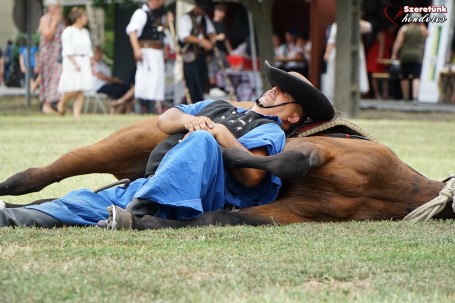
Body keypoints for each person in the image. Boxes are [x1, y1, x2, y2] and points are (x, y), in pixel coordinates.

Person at [0, 61, 335, 228]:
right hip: (156, 182)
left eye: (288, 95)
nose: (276, 90)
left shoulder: (272, 131)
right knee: (80, 202)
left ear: (292, 117)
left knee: (203, 139)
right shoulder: (220, 105)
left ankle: (140, 212)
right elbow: (165, 120)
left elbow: (251, 177)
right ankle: (12, 217)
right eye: (278, 86)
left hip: (202, 194)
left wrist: (216, 133)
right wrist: (188, 120)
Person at [126, 0, 169, 114]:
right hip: (146, 50)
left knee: (157, 79)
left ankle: (155, 105)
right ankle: (143, 105)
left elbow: (160, 33)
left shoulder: (158, 14)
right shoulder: (141, 13)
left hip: (157, 51)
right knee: (146, 78)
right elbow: (132, 32)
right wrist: (136, 49)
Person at [57, 7, 93, 118]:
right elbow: (67, 48)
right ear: (78, 18)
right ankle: (62, 103)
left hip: (84, 60)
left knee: (81, 89)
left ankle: (76, 114)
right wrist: (75, 62)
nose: (86, 18)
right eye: (84, 16)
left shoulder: (85, 32)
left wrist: (90, 62)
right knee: (73, 88)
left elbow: (88, 49)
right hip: (72, 60)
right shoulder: (68, 31)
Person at [177, 0, 216, 103]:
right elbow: (184, 36)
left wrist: (212, 39)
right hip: (190, 56)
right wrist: (202, 41)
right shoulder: (186, 18)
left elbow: (211, 31)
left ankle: (200, 103)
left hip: (201, 56)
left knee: (202, 81)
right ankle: (190, 103)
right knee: (192, 83)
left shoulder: (204, 18)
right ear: (197, 7)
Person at [323, 20, 372, 101]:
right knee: (338, 75)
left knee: (353, 75)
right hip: (339, 52)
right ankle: (339, 97)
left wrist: (356, 21)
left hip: (353, 53)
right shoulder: (336, 25)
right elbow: (331, 40)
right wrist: (327, 53)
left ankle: (352, 98)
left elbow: (368, 27)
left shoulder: (356, 23)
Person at [391, 14, 428, 101]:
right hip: (417, 55)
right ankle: (415, 97)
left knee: (404, 76)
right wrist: (421, 23)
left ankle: (405, 97)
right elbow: (427, 34)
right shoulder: (422, 29)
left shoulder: (404, 29)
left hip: (405, 55)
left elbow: (398, 42)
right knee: (416, 76)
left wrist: (394, 54)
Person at [37, 0, 65, 114]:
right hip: (48, 55)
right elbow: (47, 36)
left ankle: (56, 103)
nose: (59, 10)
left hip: (58, 54)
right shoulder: (45, 19)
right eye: (57, 7)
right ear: (51, 8)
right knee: (49, 79)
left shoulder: (61, 20)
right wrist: (54, 23)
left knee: (58, 78)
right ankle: (47, 104)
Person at [92, 45, 135, 114]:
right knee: (116, 90)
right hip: (99, 86)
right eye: (99, 53)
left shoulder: (102, 63)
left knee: (125, 88)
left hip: (108, 83)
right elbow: (101, 77)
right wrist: (114, 80)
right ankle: (114, 108)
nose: (101, 55)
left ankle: (125, 108)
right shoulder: (93, 63)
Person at [208, 3, 233, 97]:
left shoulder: (223, 24)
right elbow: (210, 36)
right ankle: (213, 87)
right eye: (219, 11)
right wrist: (218, 37)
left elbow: (226, 39)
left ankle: (223, 87)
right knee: (213, 69)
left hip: (222, 51)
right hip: (214, 50)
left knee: (225, 69)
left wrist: (231, 52)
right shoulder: (210, 24)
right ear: (215, 12)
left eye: (223, 12)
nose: (221, 14)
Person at [366, 25, 395, 99]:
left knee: (384, 74)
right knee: (374, 74)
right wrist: (380, 58)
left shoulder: (390, 35)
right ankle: (377, 93)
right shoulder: (382, 33)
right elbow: (381, 46)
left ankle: (385, 94)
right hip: (377, 54)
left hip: (385, 54)